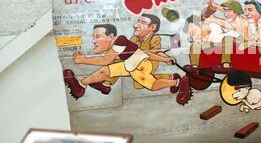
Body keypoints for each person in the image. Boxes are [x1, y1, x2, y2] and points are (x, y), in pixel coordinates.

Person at [63, 24, 192, 105]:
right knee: (105, 71)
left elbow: (105, 60)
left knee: (152, 85)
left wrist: (83, 60)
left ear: (111, 36)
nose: (94, 40)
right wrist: (164, 59)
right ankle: (80, 86)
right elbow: (145, 52)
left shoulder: (120, 41)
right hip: (130, 65)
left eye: (98, 36)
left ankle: (179, 82)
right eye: (94, 37)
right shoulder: (122, 43)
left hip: (139, 67)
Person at [100, 14, 177, 93]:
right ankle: (106, 84)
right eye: (138, 21)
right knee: (120, 64)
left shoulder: (155, 38)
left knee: (139, 83)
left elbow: (157, 52)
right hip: (136, 61)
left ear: (153, 27)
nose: (135, 25)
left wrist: (166, 59)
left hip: (149, 63)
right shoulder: (135, 39)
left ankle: (170, 78)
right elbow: (126, 51)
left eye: (143, 22)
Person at [204, 0, 249, 68]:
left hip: (240, 40)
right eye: (225, 11)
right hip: (225, 40)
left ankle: (226, 63)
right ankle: (194, 66)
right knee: (199, 45)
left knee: (227, 38)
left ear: (236, 11)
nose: (225, 14)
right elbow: (221, 11)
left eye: (229, 11)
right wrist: (214, 5)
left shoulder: (243, 20)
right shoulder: (228, 20)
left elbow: (246, 39)